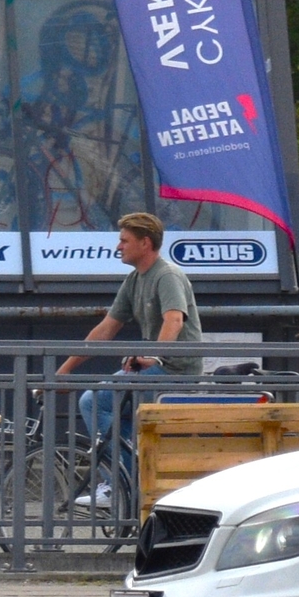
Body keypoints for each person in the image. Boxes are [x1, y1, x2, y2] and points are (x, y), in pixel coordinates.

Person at [60, 212, 206, 508]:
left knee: (93, 402)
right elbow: (105, 330)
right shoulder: (134, 280)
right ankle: (134, 480)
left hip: (177, 372)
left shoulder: (166, 276)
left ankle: (121, 484)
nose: (118, 247)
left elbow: (174, 320)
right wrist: (63, 371)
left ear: (145, 243)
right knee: (115, 414)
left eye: (124, 241)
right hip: (155, 368)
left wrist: (153, 355)